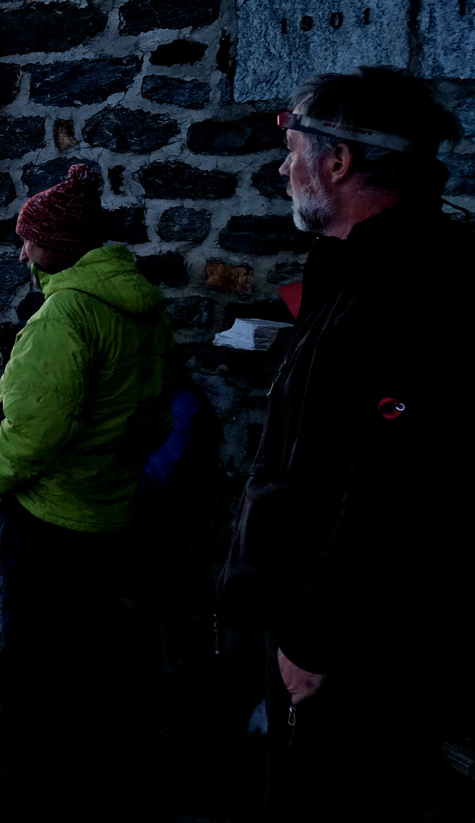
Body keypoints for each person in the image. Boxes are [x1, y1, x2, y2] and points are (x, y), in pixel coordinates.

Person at [220, 68, 471, 820]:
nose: (281, 165)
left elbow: (397, 485)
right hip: (320, 630)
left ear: (339, 163)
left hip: (351, 655)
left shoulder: (412, 284)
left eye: (293, 146)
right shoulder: (358, 271)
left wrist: (311, 640)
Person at [0, 161, 173, 819]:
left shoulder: (65, 317)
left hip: (52, 524)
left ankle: (38, 802)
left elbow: (32, 433)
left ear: (56, 247)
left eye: (29, 239)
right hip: (110, 510)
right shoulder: (140, 305)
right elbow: (157, 412)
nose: (22, 250)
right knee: (92, 671)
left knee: (38, 682)